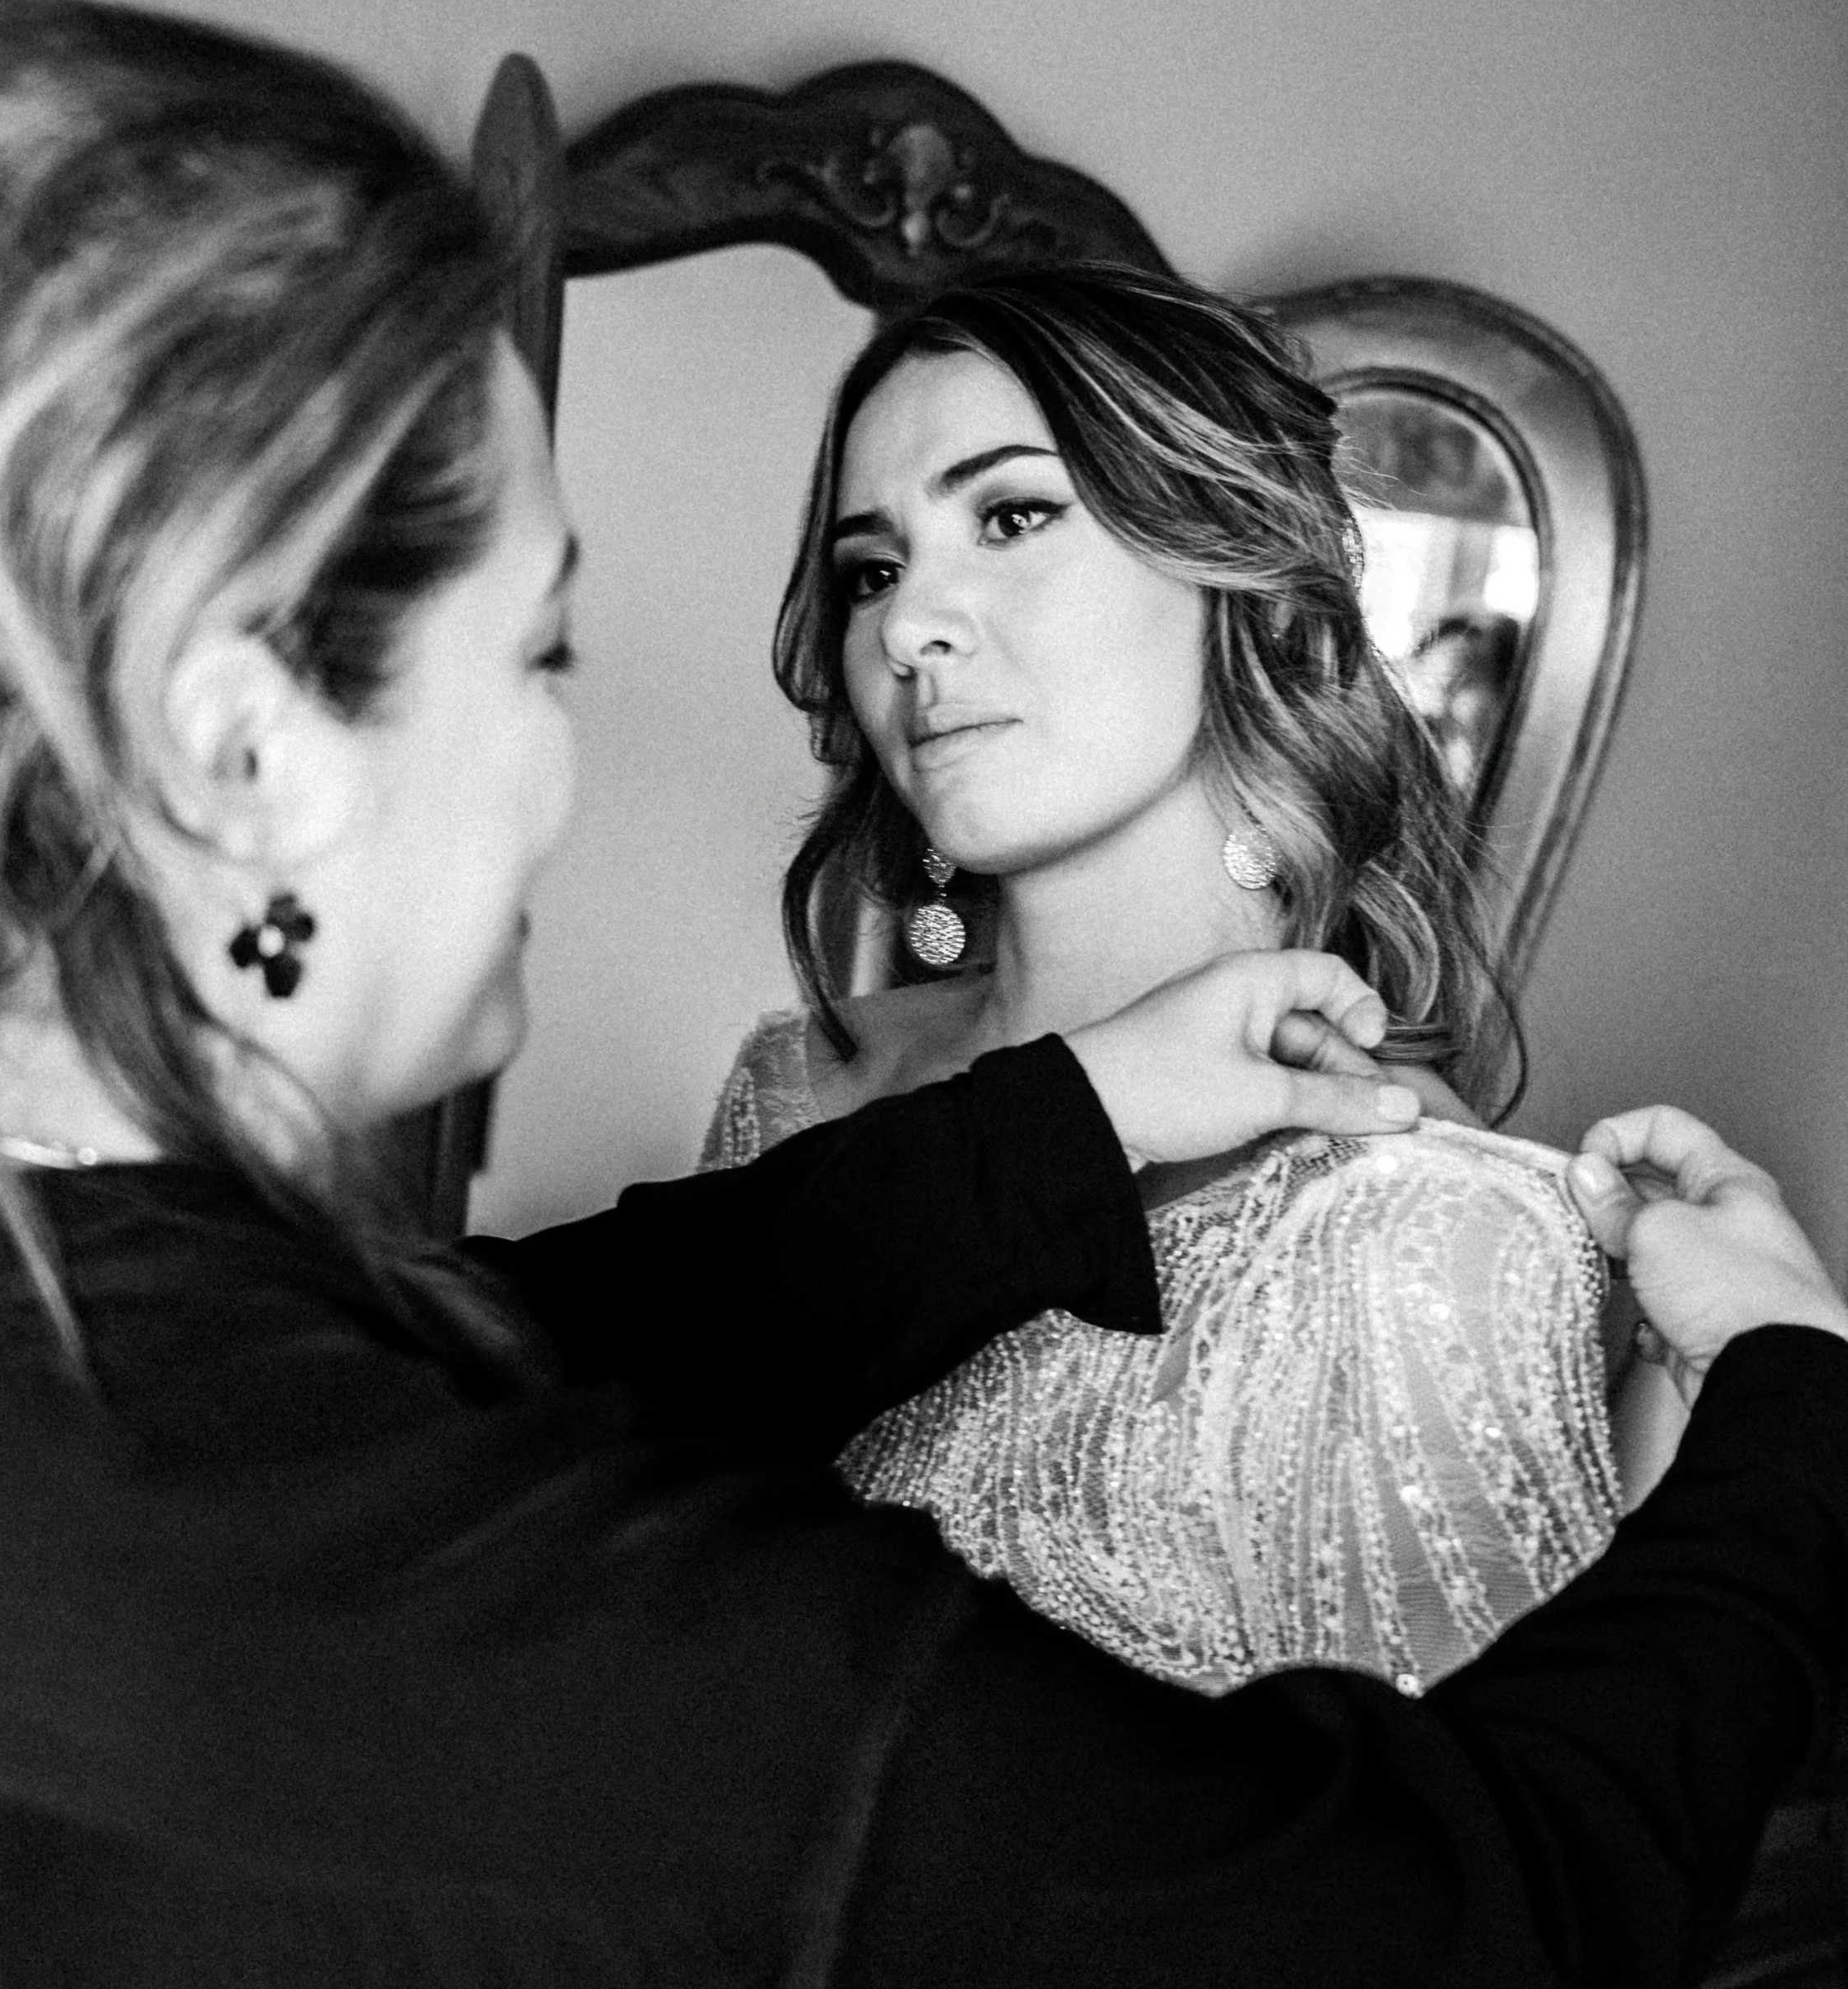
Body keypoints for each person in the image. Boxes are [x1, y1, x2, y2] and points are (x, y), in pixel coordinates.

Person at [0, 0, 1846, 1989]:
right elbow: (1446, 1965)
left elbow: (558, 1320)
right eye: (542, 647)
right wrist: (1790, 1401)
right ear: (245, 756)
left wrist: (1067, 1117)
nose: (903, 628)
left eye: (1012, 518)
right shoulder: (560, 1614)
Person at [706, 261, 1681, 1695]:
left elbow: (1446, 1890)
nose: (911, 625)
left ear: (1235, 567)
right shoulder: (797, 1087)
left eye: (1013, 515)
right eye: (872, 568)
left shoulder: (1426, 1239)